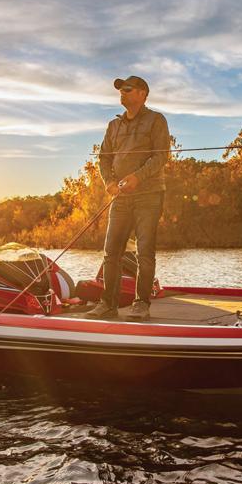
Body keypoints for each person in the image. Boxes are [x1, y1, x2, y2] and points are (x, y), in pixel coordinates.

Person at [84, 75, 171, 322]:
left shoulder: (156, 120)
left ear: (143, 93)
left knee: (145, 251)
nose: (122, 92)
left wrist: (138, 177)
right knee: (111, 252)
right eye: (120, 89)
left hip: (150, 196)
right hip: (120, 198)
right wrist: (109, 182)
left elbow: (160, 156)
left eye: (128, 89)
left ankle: (141, 303)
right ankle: (107, 304)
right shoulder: (114, 126)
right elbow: (104, 158)